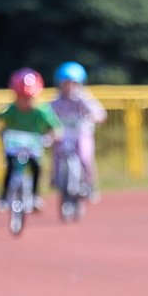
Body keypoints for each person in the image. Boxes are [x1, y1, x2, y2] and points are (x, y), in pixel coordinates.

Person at [0, 68, 62, 213]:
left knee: (36, 167)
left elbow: (54, 126)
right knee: (10, 168)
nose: (25, 102)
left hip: (33, 146)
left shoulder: (42, 111)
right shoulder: (10, 110)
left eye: (28, 98)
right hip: (13, 146)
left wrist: (54, 135)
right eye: (22, 98)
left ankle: (35, 196)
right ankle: (4, 197)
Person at [50, 62, 108, 201]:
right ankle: (57, 180)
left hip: (81, 133)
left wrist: (96, 117)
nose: (69, 87)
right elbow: (48, 115)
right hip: (64, 135)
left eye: (73, 83)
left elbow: (98, 112)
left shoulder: (83, 98)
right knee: (57, 156)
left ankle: (89, 184)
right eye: (66, 83)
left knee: (84, 156)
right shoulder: (56, 101)